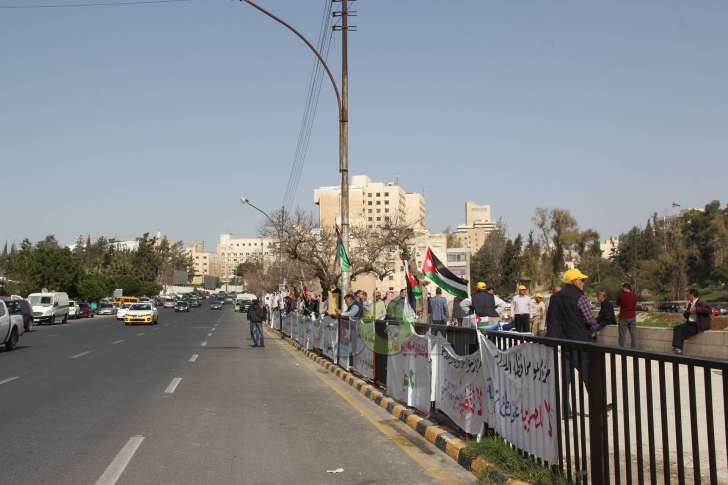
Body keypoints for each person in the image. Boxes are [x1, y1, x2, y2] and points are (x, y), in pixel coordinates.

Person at [546, 268, 601, 417]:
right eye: (581, 280)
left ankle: (566, 409)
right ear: (574, 281)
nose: (583, 282)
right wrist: (596, 326)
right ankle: (598, 407)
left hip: (564, 343)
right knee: (589, 376)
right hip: (581, 342)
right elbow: (590, 319)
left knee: (565, 379)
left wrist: (552, 340)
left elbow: (552, 321)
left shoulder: (555, 298)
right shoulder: (580, 297)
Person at [672, 288, 712, 354]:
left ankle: (678, 349)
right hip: (689, 323)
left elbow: (709, 311)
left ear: (692, 294)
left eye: (688, 295)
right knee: (676, 328)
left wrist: (696, 310)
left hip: (697, 325)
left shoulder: (701, 302)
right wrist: (687, 310)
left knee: (681, 333)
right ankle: (677, 348)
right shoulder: (690, 303)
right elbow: (685, 315)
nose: (687, 296)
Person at [616, 283, 639, 348]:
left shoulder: (621, 296)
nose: (622, 289)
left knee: (622, 334)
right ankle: (634, 348)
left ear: (625, 288)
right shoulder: (634, 296)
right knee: (633, 334)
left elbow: (617, 303)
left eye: (623, 288)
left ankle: (621, 349)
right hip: (632, 317)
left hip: (623, 317)